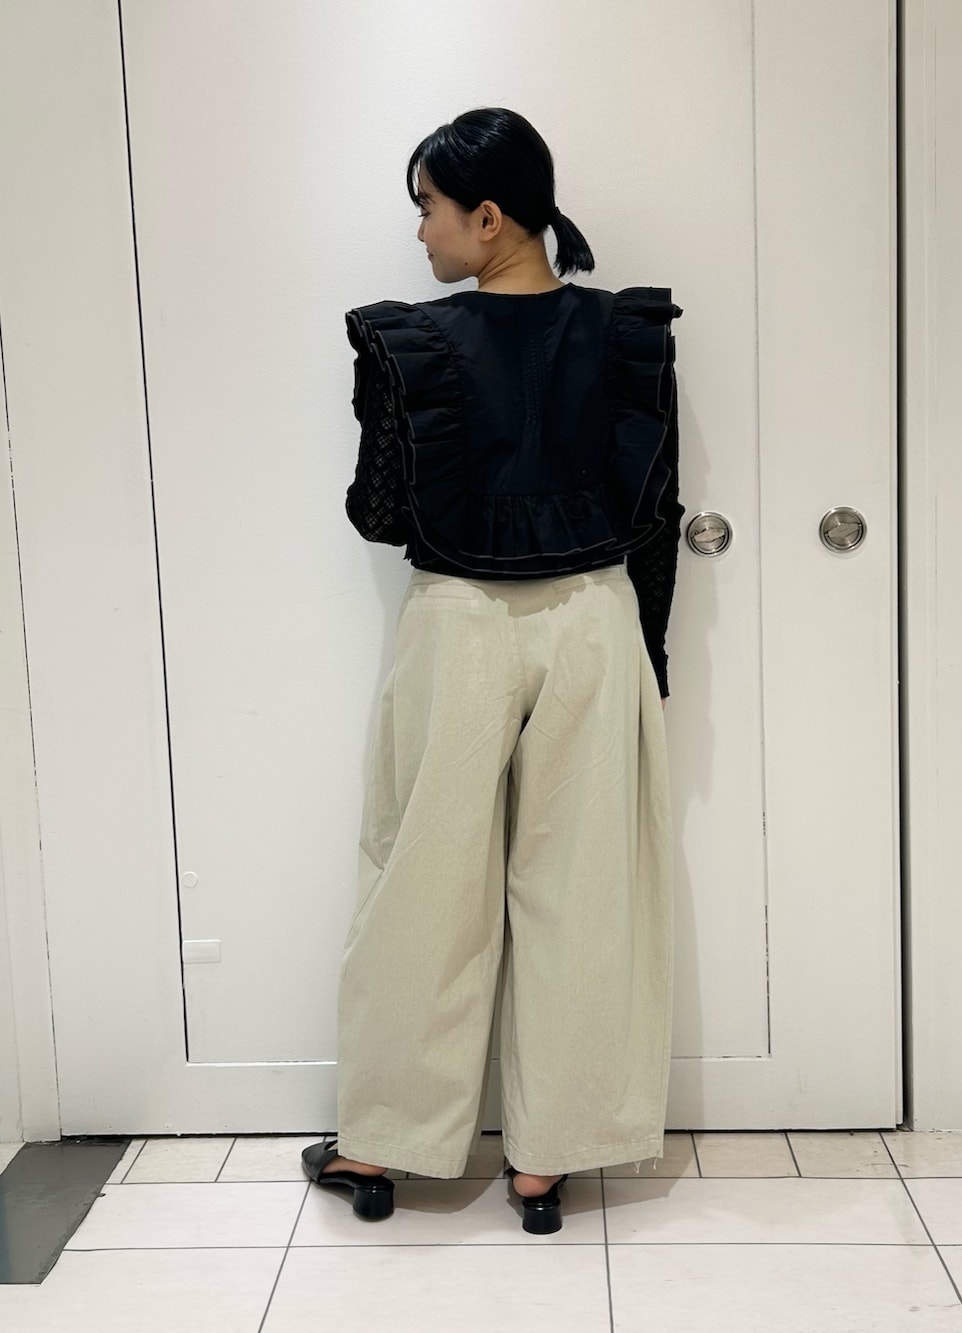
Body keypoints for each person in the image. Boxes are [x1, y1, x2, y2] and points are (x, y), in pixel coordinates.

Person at [301, 107, 684, 1235]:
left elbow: (380, 515)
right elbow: (653, 512)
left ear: (487, 216)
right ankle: (547, 1161)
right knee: (587, 888)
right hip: (595, 619)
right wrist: (650, 656)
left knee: (420, 880)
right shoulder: (628, 334)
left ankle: (382, 1146)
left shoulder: (409, 343)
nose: (419, 230)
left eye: (427, 207)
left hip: (458, 623)